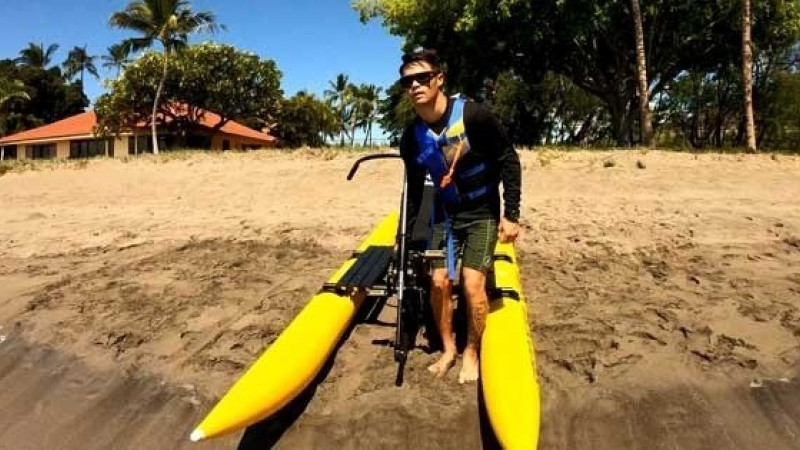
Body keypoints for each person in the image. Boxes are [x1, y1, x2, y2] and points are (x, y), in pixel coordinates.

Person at [398, 49, 522, 384]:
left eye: (422, 78)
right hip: (445, 214)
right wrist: (411, 234)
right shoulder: (411, 137)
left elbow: (509, 159)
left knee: (471, 284)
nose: (414, 86)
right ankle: (449, 349)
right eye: (407, 80)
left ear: (439, 79)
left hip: (481, 212)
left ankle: (472, 351)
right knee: (439, 282)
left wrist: (511, 213)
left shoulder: (474, 115)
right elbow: (414, 187)